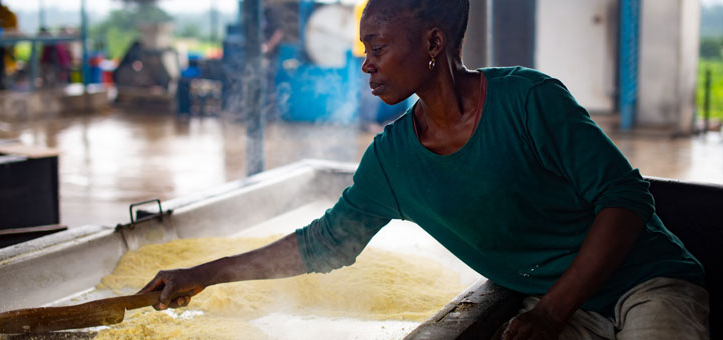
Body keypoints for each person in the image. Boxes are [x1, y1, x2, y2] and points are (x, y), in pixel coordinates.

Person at [140, 0, 710, 339]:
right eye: (365, 49)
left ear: (433, 42)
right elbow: (324, 244)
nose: (365, 63)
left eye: (378, 47)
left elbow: (626, 200)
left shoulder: (529, 101)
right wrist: (202, 274)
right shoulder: (393, 161)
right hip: (557, 309)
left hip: (646, 284)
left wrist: (554, 310)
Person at [0, 0, 18, 90]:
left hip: (7, 43)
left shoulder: (9, 15)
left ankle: (3, 82)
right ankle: (0, 82)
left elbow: (12, 29)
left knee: (6, 64)